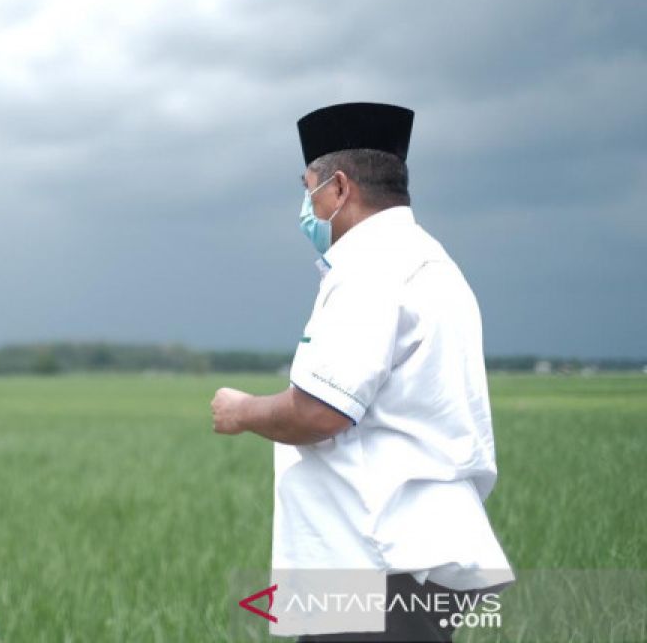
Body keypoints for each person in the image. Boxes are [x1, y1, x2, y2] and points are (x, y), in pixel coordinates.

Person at [211, 102, 514, 641]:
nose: (306, 204)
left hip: (372, 561)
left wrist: (242, 411)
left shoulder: (370, 268)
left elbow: (319, 410)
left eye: (308, 188)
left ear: (340, 188)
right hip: (415, 559)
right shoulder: (429, 261)